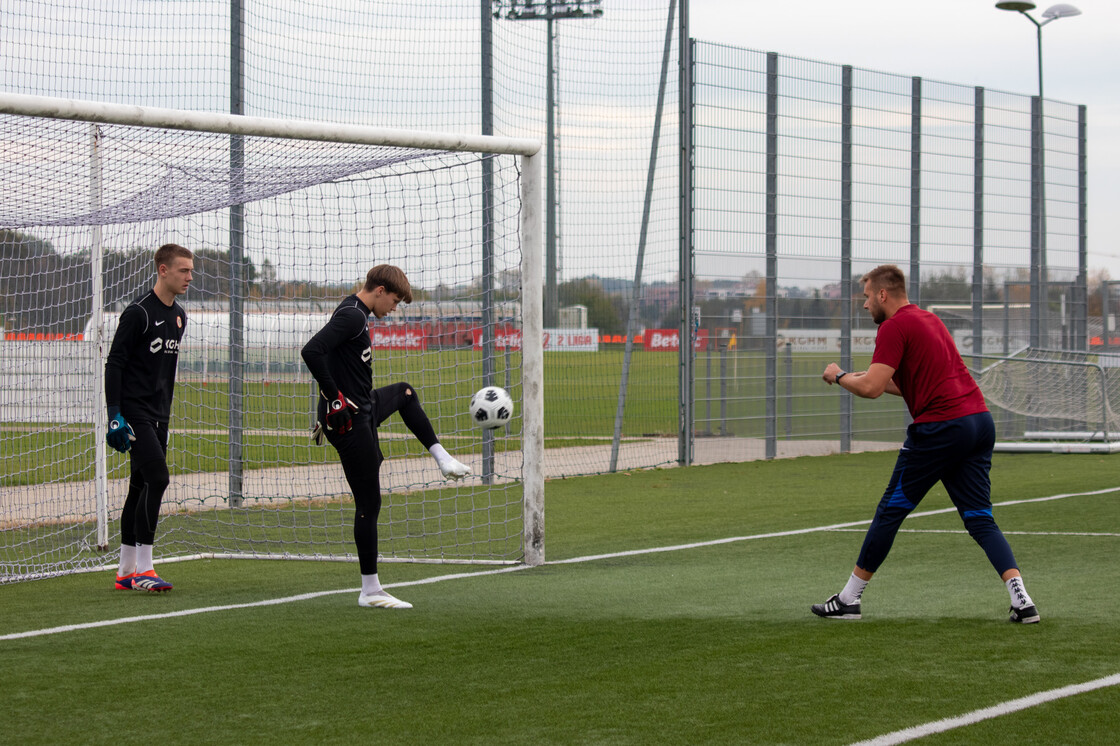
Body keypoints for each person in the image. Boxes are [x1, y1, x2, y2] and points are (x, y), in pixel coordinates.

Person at [812, 264, 1039, 624]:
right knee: (980, 518)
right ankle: (1022, 599)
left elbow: (871, 389)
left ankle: (849, 600)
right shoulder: (930, 321)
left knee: (891, 510)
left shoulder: (893, 326)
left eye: (868, 296)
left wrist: (839, 376)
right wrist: (857, 376)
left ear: (883, 294)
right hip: (979, 422)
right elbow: (905, 383)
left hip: (942, 429)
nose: (865, 304)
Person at [301, 264, 470, 610]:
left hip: (364, 407)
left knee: (405, 393)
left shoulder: (357, 312)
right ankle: (371, 590)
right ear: (379, 290)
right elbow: (311, 351)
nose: (394, 310)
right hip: (349, 419)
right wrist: (333, 399)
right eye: (394, 301)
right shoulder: (352, 315)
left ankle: (442, 457)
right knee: (369, 503)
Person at [105, 243, 193, 593]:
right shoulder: (138, 313)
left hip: (160, 415)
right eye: (183, 270)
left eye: (190, 270)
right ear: (163, 270)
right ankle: (145, 568)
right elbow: (115, 364)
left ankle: (126, 571)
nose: (189, 276)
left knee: (139, 485)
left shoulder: (180, 316)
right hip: (135, 412)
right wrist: (114, 414)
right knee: (158, 478)